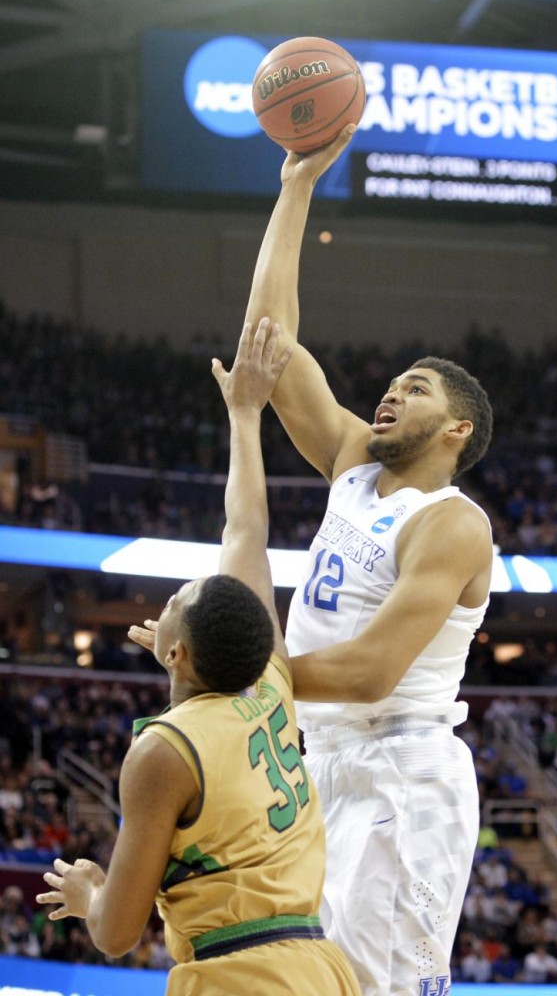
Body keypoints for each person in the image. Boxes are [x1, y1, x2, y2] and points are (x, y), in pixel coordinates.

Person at [36, 319, 361, 996]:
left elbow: (117, 934)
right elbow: (245, 528)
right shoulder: (268, 677)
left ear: (177, 650)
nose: (176, 594)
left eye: (180, 597)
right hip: (321, 967)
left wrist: (88, 889)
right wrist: (244, 414)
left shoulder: (163, 751)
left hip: (238, 976)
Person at [243, 126, 494, 996]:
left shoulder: (451, 524)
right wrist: (295, 187)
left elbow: (370, 671)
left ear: (456, 430)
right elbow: (268, 350)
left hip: (401, 772)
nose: (390, 391)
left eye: (415, 389)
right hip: (321, 760)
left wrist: (241, 675)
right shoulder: (355, 469)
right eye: (391, 383)